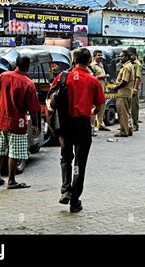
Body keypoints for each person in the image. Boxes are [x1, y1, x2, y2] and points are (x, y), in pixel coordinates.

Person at [49, 48, 105, 213]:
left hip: (65, 124)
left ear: (73, 61)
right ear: (89, 62)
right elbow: (100, 104)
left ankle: (66, 189)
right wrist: (92, 113)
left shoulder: (62, 77)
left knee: (66, 157)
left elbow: (51, 99)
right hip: (82, 125)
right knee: (80, 162)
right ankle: (75, 200)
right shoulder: (93, 80)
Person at [0, 55, 40, 189]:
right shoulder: (28, 83)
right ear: (28, 66)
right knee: (14, 152)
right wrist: (35, 124)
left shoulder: (2, 76)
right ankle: (11, 181)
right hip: (18, 123)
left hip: (0, 119)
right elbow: (33, 108)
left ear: (15, 64)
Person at [113, 50, 134, 137]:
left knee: (122, 113)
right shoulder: (128, 66)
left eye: (122, 56)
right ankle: (128, 129)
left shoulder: (126, 67)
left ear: (126, 57)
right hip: (126, 93)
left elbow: (124, 81)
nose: (120, 58)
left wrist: (116, 87)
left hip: (123, 93)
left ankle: (124, 131)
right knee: (126, 112)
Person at [90, 50, 110, 132]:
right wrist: (103, 76)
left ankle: (100, 124)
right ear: (94, 56)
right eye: (98, 55)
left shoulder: (101, 64)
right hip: (96, 89)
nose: (100, 57)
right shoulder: (92, 66)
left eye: (101, 55)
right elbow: (91, 78)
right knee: (95, 106)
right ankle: (93, 125)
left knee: (102, 107)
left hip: (103, 88)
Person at [128, 47, 142, 131]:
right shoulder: (129, 63)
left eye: (131, 55)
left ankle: (135, 124)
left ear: (135, 55)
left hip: (133, 88)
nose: (130, 56)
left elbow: (138, 78)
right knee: (128, 107)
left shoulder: (137, 64)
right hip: (128, 88)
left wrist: (135, 89)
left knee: (134, 107)